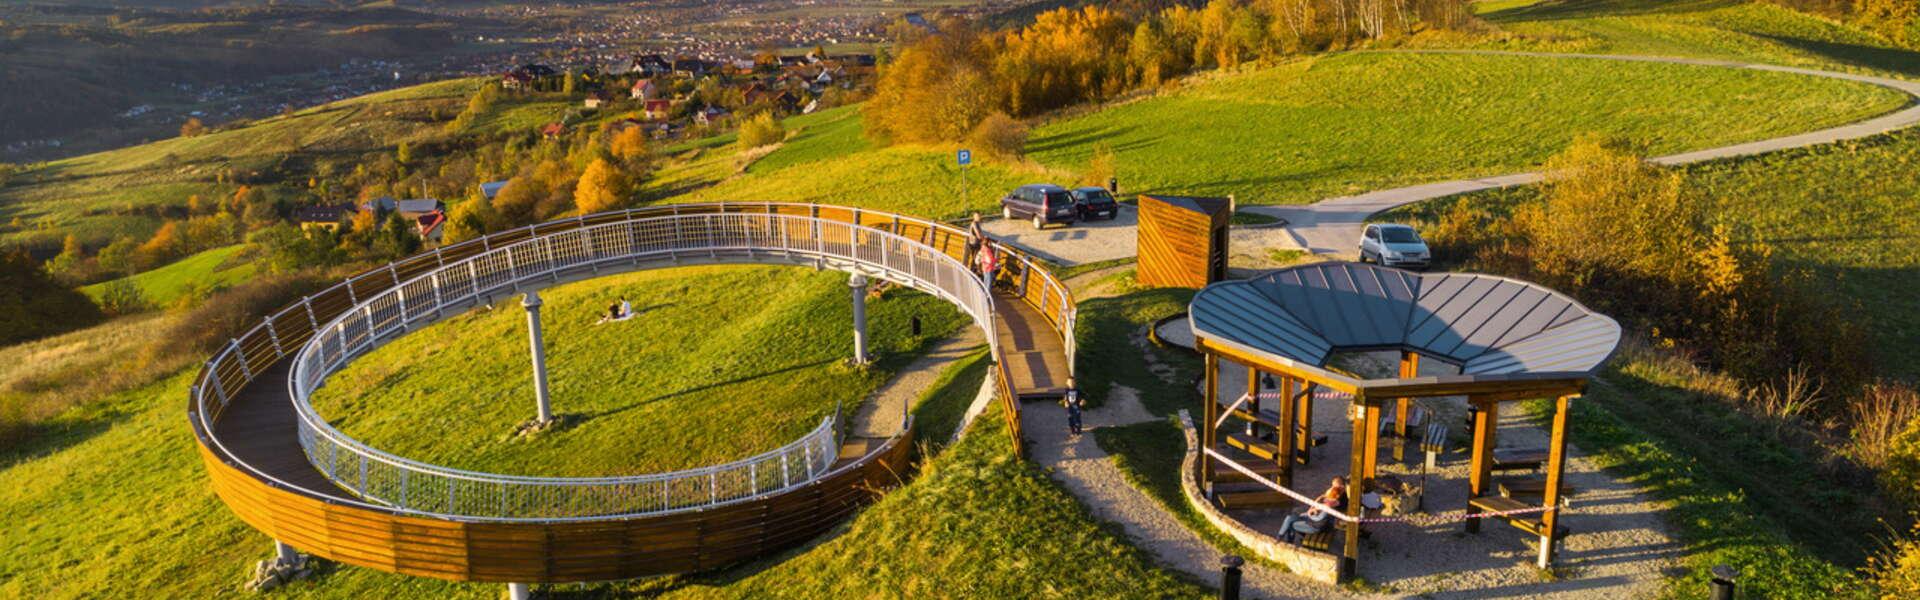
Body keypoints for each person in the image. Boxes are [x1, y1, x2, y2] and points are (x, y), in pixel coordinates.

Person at [1280, 476, 1349, 543]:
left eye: (1334, 486)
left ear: (1342, 486)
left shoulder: (1338, 499)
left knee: (1292, 524)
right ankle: (1281, 537)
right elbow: (1322, 497)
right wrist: (1313, 508)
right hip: (1320, 521)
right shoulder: (1336, 494)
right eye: (1332, 486)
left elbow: (1323, 511)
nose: (1332, 488)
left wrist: (1313, 511)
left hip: (1319, 525)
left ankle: (1286, 541)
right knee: (1291, 518)